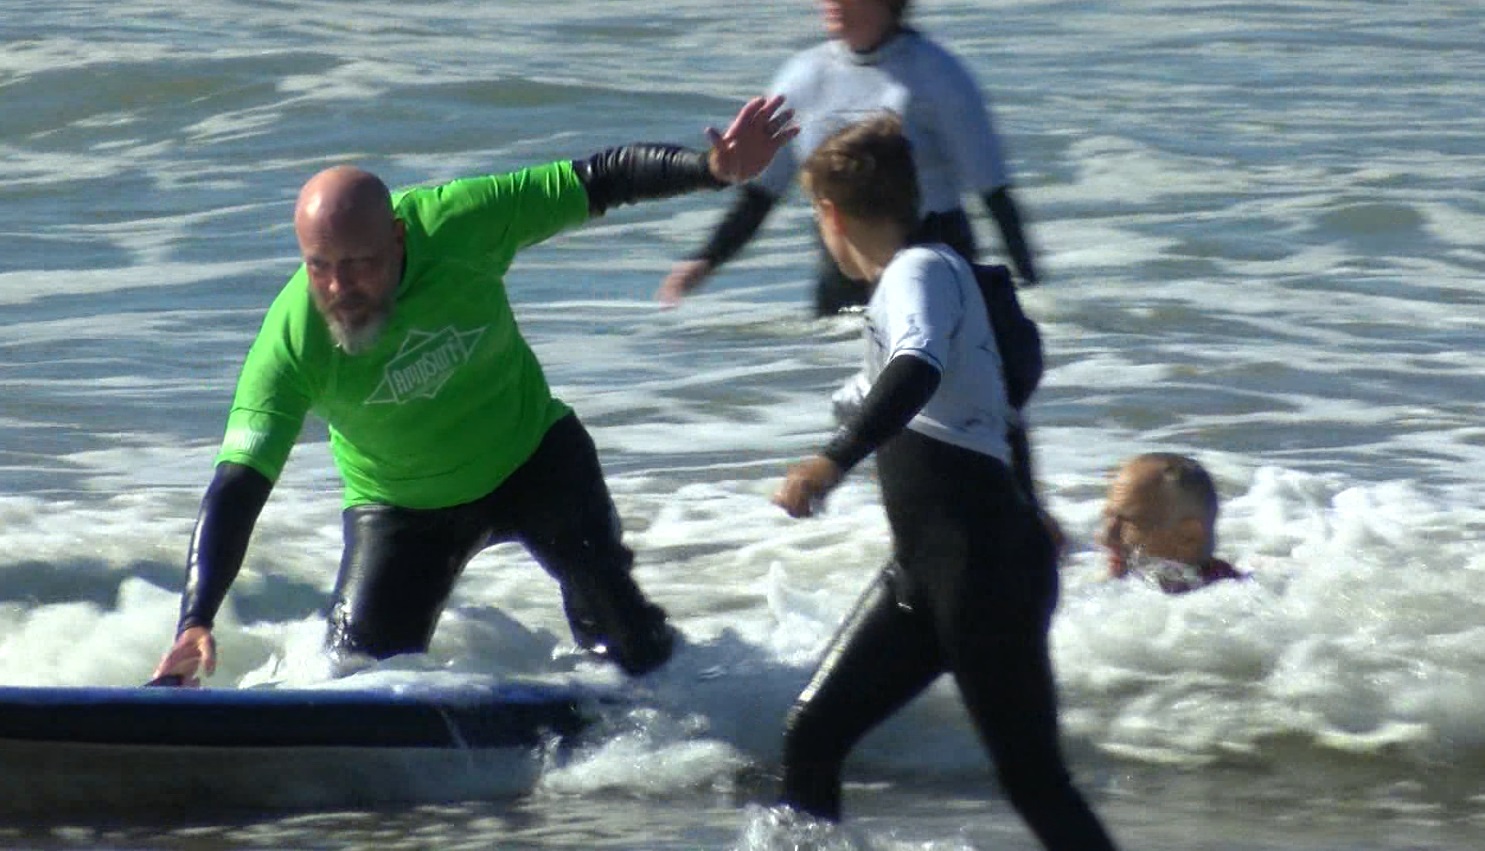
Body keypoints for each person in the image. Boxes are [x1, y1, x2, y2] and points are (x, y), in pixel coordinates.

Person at [150, 96, 800, 686]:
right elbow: (237, 486)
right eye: (319, 267)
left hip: (534, 461)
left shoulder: (459, 223)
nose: (339, 288)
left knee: (627, 645)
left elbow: (598, 178)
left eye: (360, 264)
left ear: (399, 236)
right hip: (403, 507)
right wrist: (196, 617)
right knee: (356, 675)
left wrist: (711, 169)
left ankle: (699, 718)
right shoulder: (291, 342)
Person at [769, 114, 1118, 849]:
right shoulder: (930, 278)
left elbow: (918, 365)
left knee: (1033, 781)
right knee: (812, 734)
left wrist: (831, 459)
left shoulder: (917, 272)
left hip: (980, 567)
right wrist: (1032, 496)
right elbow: (999, 400)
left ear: (830, 215)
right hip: (930, 571)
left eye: (812, 216)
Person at [657, 0, 1039, 317]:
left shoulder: (939, 75)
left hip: (932, 267)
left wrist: (1030, 293)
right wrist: (705, 260)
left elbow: (995, 193)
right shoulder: (802, 76)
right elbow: (762, 193)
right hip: (840, 277)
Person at [1098, 452, 1245, 594]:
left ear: (1188, 536)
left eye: (1131, 522)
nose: (1106, 539)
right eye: (1108, 517)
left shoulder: (1232, 604)